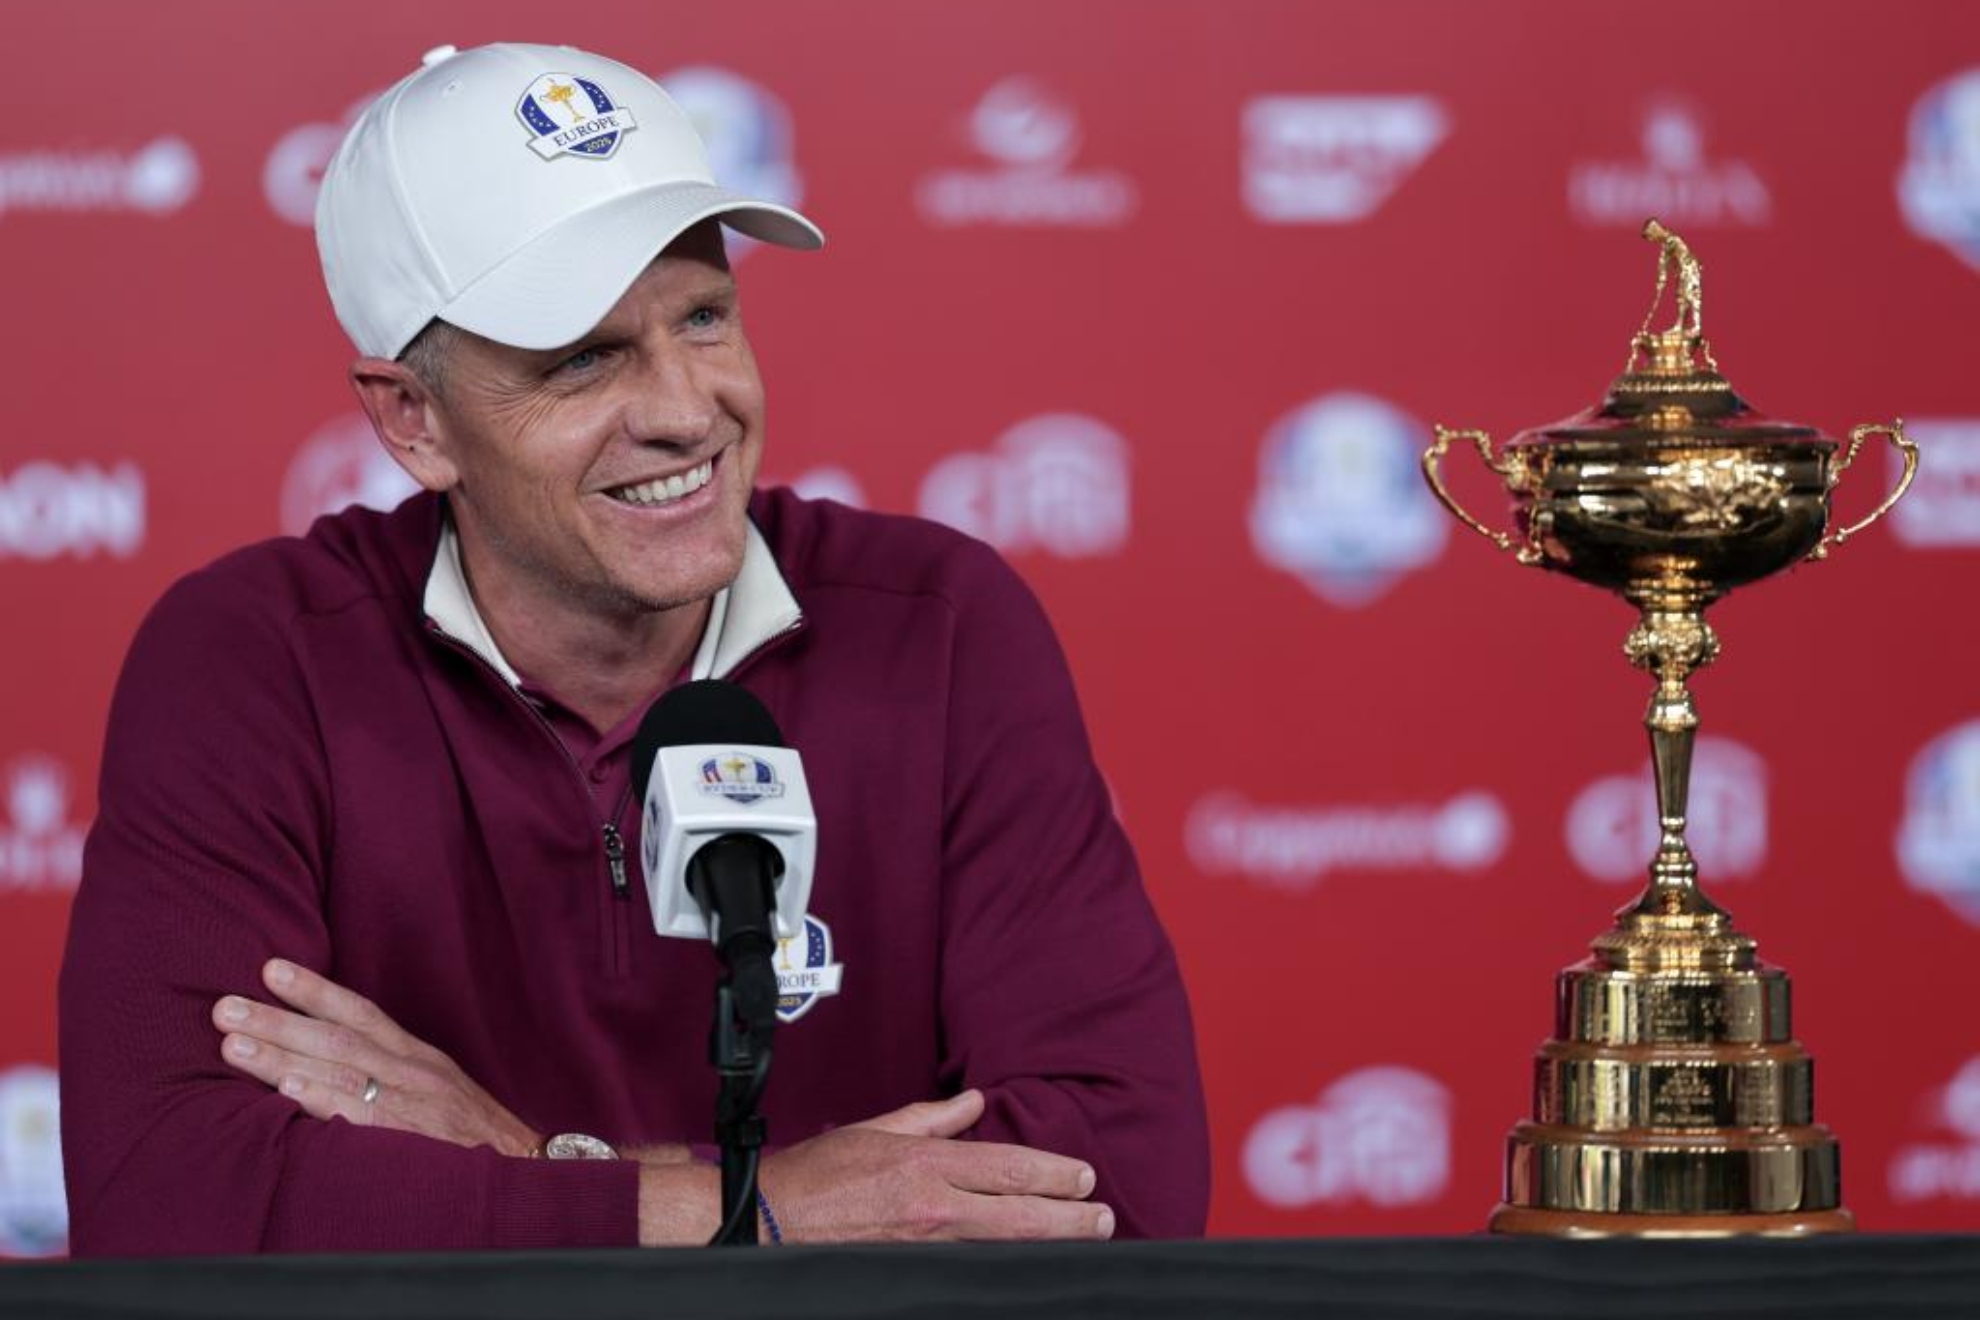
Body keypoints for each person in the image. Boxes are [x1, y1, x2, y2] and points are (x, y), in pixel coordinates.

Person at [57, 42, 1208, 1254]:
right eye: (583, 359)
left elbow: (1118, 1180)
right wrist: (764, 1210)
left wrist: (523, 1165)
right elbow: (166, 1201)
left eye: (705, 315)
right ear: (413, 419)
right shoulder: (255, 659)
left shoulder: (943, 626)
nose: (683, 410)